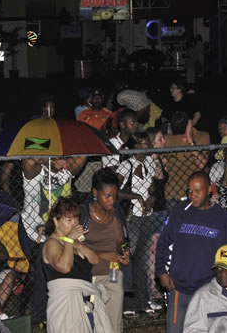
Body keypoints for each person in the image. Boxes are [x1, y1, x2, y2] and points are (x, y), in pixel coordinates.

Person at [156, 171, 227, 333]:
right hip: (179, 287)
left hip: (209, 289)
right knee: (175, 329)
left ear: (210, 190)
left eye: (197, 191)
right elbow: (163, 243)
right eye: (189, 191)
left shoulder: (222, 217)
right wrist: (162, 271)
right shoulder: (180, 212)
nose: (192, 195)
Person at [19, 154, 87, 327]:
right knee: (43, 270)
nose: (67, 162)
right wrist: (45, 158)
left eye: (67, 158)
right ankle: (39, 317)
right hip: (32, 232)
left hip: (58, 232)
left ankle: (73, 308)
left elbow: (82, 157)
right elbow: (28, 161)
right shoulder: (36, 174)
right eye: (61, 158)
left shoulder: (65, 172)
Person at [42, 197, 111, 333]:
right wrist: (69, 240)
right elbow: (65, 267)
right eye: (69, 220)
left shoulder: (73, 242)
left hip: (86, 303)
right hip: (66, 306)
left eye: (76, 219)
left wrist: (77, 244)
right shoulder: (51, 244)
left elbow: (94, 259)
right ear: (56, 221)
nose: (74, 224)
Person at [116, 132, 165, 314]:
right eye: (141, 144)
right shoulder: (125, 166)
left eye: (147, 144)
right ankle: (126, 303)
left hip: (147, 216)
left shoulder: (150, 163)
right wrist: (136, 196)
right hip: (132, 218)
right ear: (133, 146)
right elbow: (114, 191)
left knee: (143, 260)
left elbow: (152, 187)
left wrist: (151, 197)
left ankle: (145, 301)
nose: (145, 148)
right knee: (127, 258)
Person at [80, 169, 130, 332]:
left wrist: (124, 252)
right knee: (90, 323)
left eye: (115, 196)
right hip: (89, 276)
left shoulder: (116, 213)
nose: (112, 200)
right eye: (107, 196)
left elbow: (122, 241)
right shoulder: (82, 215)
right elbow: (74, 247)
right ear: (95, 192)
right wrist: (102, 255)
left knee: (114, 324)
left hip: (113, 275)